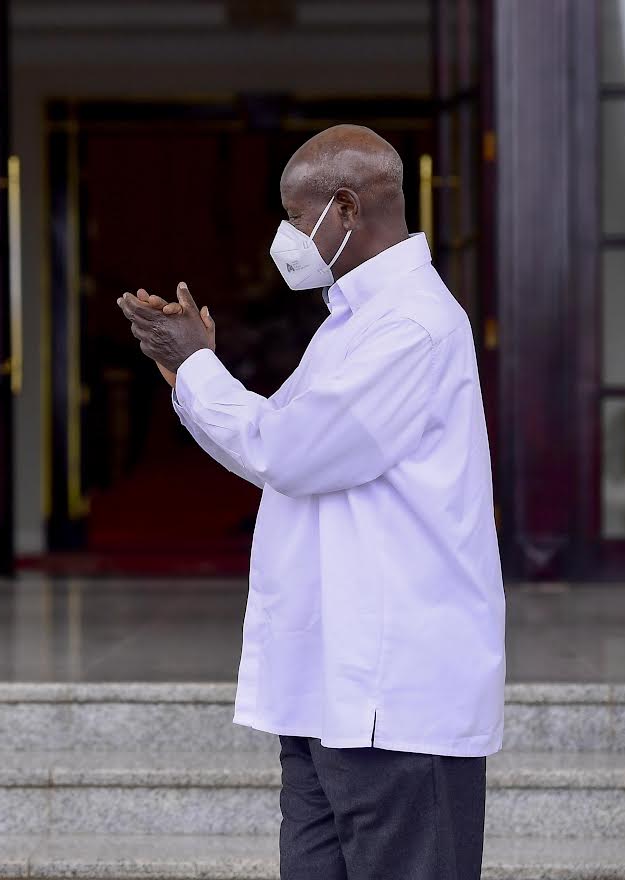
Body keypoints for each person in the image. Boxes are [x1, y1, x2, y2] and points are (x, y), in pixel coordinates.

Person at [118, 124, 504, 880]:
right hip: (329, 693)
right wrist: (189, 368)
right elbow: (279, 441)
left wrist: (197, 367)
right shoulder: (350, 324)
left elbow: (289, 451)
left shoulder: (413, 325)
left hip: (395, 702)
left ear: (346, 209)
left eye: (296, 218)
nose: (287, 239)